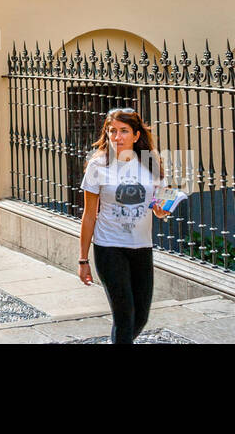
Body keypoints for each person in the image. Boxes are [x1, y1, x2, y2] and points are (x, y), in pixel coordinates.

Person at [78, 107, 171, 344]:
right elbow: (89, 215)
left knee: (141, 316)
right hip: (109, 247)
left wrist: (162, 211)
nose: (117, 137)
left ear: (136, 135)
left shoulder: (151, 164)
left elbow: (159, 205)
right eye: (112, 131)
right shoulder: (98, 166)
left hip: (141, 246)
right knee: (124, 316)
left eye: (124, 131)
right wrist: (83, 259)